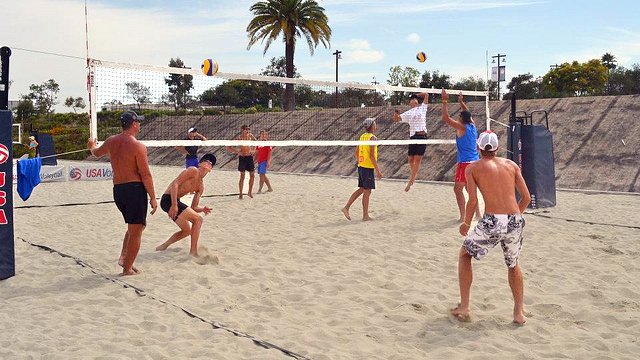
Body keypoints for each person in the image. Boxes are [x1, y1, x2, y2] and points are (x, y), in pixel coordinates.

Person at [451, 131, 531, 325]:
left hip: (493, 220)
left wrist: (466, 223)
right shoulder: (511, 165)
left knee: (464, 255)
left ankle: (465, 305)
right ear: (497, 148)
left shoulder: (473, 167)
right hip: (515, 219)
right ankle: (519, 313)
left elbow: (472, 202)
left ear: (478, 148)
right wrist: (513, 218)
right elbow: (526, 198)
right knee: (513, 264)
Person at [87, 110, 158, 276]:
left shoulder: (112, 141)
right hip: (133, 189)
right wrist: (153, 198)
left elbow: (96, 153)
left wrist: (91, 146)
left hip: (118, 191)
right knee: (136, 230)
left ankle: (124, 258)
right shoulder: (137, 146)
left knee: (135, 227)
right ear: (134, 124)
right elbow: (145, 174)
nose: (140, 124)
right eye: (138, 122)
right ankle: (126, 269)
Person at [155, 154, 216, 257]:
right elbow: (175, 184)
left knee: (187, 231)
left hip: (175, 202)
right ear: (200, 163)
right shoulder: (193, 170)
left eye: (210, 164)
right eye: (206, 162)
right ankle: (193, 252)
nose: (207, 165)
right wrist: (174, 205)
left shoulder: (200, 186)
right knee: (198, 220)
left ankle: (164, 246)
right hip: (168, 199)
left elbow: (194, 207)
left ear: (210, 169)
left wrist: (202, 209)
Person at [441, 89, 482, 222]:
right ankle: (478, 215)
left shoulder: (462, 127)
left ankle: (463, 217)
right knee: (471, 190)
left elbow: (446, 118)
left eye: (459, 116)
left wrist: (445, 100)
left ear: (461, 119)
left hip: (465, 164)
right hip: (476, 162)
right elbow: (467, 113)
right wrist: (461, 102)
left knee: (457, 190)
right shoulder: (472, 126)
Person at [341, 118, 383, 221]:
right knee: (367, 191)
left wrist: (361, 162)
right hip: (368, 167)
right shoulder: (372, 138)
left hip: (361, 166)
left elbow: (356, 152)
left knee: (362, 189)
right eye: (374, 123)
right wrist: (378, 171)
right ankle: (365, 216)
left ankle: (346, 208)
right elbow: (372, 156)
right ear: (372, 126)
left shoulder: (362, 136)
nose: (376, 124)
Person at [393, 91, 429, 192]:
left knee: (417, 160)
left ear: (417, 101)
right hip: (413, 137)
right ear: (410, 103)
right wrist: (396, 114)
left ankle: (411, 180)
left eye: (415, 99)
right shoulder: (408, 113)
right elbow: (397, 120)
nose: (413, 100)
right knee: (410, 160)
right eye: (412, 99)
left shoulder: (422, 108)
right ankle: (413, 176)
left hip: (422, 137)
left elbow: (426, 95)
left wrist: (415, 94)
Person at [226, 124, 256, 199]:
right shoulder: (239, 138)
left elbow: (256, 143)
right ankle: (240, 193)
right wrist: (238, 152)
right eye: (246, 129)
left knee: (252, 175)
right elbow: (228, 147)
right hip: (242, 157)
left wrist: (253, 150)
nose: (248, 130)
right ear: (242, 130)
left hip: (249, 157)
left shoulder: (250, 136)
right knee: (242, 176)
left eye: (248, 129)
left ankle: (249, 192)